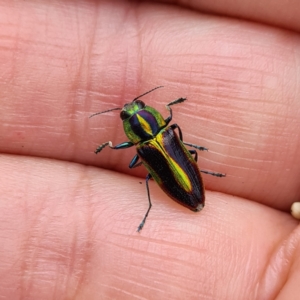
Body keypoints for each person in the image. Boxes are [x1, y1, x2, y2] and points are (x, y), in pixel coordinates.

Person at [0, 1, 299, 299]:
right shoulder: (168, 129)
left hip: (172, 167)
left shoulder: (141, 149)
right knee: (170, 162)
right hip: (175, 160)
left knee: (149, 173)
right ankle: (173, 192)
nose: (133, 109)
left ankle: (177, 189)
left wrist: (107, 146)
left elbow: (137, 157)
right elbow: (171, 127)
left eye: (135, 109)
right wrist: (174, 130)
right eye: (131, 111)